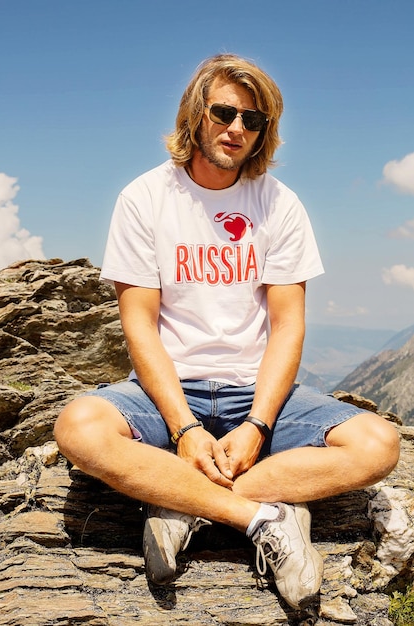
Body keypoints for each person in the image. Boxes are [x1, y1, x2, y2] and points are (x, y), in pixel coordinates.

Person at [54, 53, 400, 612]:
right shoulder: (145, 198)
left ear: (265, 130)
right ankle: (265, 516)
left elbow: (288, 325)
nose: (237, 128)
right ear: (196, 114)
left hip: (256, 391)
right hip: (169, 389)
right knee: (78, 426)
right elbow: (138, 324)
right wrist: (185, 428)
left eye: (253, 119)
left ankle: (177, 500)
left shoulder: (279, 205)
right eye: (223, 112)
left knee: (378, 444)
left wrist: (260, 425)